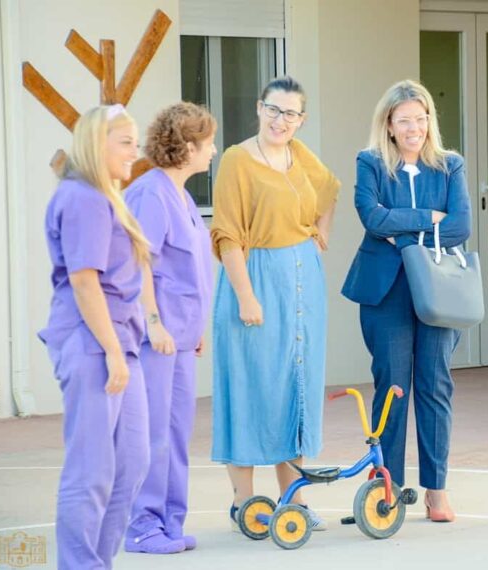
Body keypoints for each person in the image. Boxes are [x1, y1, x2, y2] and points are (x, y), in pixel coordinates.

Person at [210, 76, 340, 530]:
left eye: (290, 113)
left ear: (301, 120)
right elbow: (226, 233)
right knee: (250, 387)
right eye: (273, 109)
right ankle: (247, 506)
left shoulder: (299, 155)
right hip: (256, 279)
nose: (280, 120)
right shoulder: (236, 160)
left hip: (303, 285)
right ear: (258, 108)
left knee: (295, 389)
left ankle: (294, 500)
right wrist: (246, 296)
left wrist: (321, 231)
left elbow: (330, 189)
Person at [342, 79, 472, 522]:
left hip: (438, 290)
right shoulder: (371, 162)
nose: (414, 127)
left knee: (435, 386)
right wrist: (427, 220)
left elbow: (460, 227)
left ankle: (436, 490)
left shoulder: (450, 166)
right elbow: (371, 216)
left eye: (420, 119)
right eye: (404, 121)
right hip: (386, 291)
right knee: (393, 386)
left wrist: (401, 231)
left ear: (429, 121)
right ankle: (387, 487)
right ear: (390, 125)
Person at [38, 104, 151, 569]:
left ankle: (96, 562)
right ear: (96, 144)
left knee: (132, 462)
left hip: (118, 340)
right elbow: (85, 281)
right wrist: (112, 352)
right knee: (92, 470)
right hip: (93, 343)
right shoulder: (83, 198)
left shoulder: (105, 196)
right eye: (125, 142)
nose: (134, 151)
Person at [124, 102, 217, 554]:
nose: (214, 150)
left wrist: (197, 328)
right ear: (188, 147)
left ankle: (169, 522)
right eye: (209, 142)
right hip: (157, 338)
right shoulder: (151, 193)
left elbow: (191, 269)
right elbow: (139, 262)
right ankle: (142, 526)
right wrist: (154, 322)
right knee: (154, 433)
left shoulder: (182, 196)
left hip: (183, 337)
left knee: (177, 431)